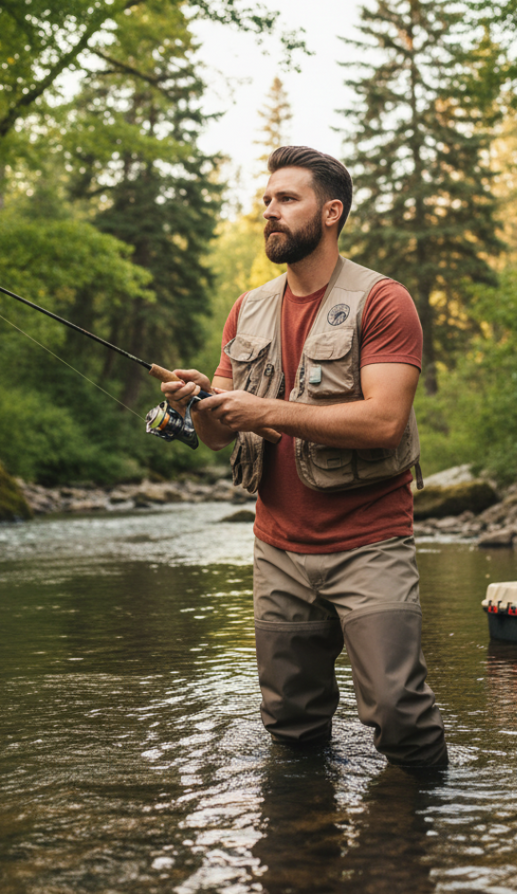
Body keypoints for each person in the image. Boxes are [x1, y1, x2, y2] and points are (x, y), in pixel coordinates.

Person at [163, 145, 447, 767]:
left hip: (369, 540)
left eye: (287, 199)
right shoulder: (248, 308)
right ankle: (299, 847)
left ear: (332, 212)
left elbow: (383, 420)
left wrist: (264, 410)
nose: (270, 211)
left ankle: (416, 843)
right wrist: (202, 403)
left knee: (400, 713)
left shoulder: (383, 300)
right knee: (289, 722)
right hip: (279, 548)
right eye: (267, 200)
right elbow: (219, 437)